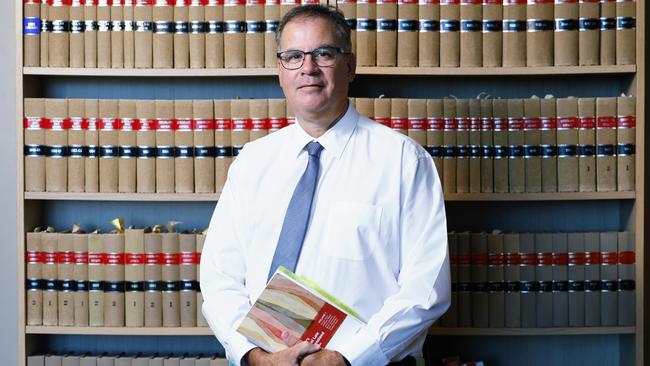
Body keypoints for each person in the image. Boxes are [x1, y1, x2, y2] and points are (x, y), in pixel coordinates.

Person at [200, 5, 450, 366]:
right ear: (280, 71)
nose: (308, 68)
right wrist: (254, 357)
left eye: (324, 53)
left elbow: (426, 288)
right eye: (294, 56)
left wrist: (345, 357)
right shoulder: (252, 163)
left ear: (350, 66)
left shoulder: (402, 161)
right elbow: (220, 277)